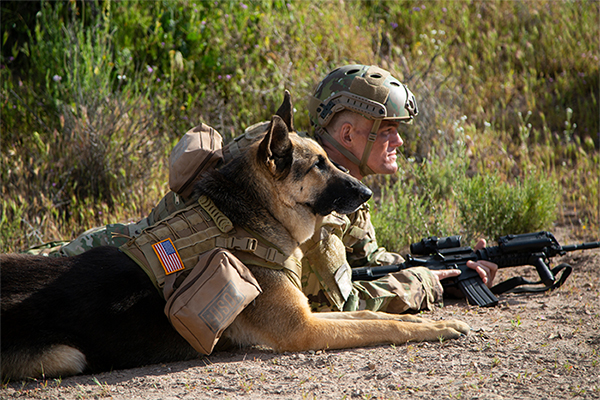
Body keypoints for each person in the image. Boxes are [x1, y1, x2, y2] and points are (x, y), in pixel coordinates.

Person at [25, 64, 497, 313]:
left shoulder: (313, 173)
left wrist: (442, 263)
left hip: (134, 262)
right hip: (116, 261)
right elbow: (339, 298)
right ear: (350, 135)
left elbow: (365, 262)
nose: (398, 140)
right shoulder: (306, 196)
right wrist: (425, 285)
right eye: (388, 128)